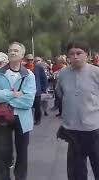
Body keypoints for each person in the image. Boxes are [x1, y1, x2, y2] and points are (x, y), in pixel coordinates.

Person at [0, 42, 36, 180]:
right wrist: (13, 94)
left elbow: (28, 101)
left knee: (22, 154)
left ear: (22, 55)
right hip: (2, 117)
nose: (12, 53)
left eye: (16, 50)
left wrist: (4, 97)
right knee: (2, 153)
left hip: (22, 120)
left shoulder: (29, 75)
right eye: (10, 50)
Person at [56, 41, 99, 180]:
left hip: (94, 130)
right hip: (73, 131)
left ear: (87, 54)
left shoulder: (96, 72)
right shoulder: (62, 74)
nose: (75, 56)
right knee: (76, 172)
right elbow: (60, 94)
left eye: (79, 53)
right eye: (71, 54)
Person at [24, 54, 48, 125]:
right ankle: (28, 120)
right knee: (27, 106)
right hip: (26, 90)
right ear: (26, 60)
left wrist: (44, 88)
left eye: (31, 60)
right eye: (28, 60)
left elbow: (43, 78)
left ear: (33, 60)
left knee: (37, 106)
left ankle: (37, 119)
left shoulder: (38, 68)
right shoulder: (23, 68)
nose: (30, 61)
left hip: (37, 90)